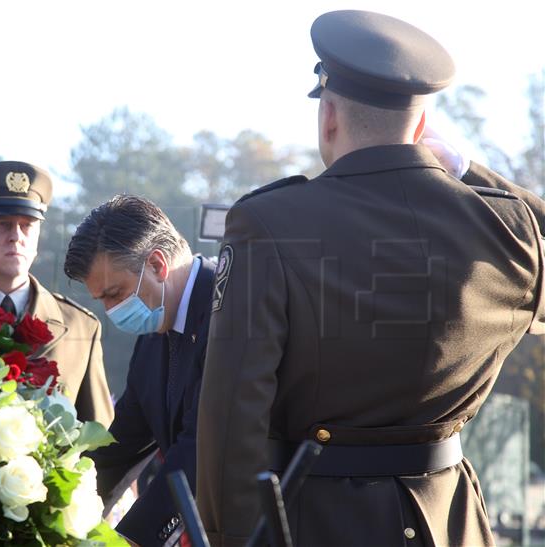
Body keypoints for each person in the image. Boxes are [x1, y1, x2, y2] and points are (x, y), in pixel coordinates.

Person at [196, 9, 545, 547]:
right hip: (451, 522)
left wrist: (229, 537)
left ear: (329, 115)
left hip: (316, 521)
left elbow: (232, 411)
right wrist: (471, 172)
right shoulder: (508, 230)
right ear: (424, 126)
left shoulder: (268, 225)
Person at [64, 195, 215, 547]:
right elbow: (123, 443)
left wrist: (129, 539)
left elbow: (201, 446)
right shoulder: (155, 332)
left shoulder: (230, 310)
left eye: (116, 294)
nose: (112, 312)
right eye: (101, 299)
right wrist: (58, 510)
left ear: (158, 264)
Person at [0, 161, 114, 427]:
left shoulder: (81, 327)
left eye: (28, 225)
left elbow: (96, 436)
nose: (16, 236)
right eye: (2, 224)